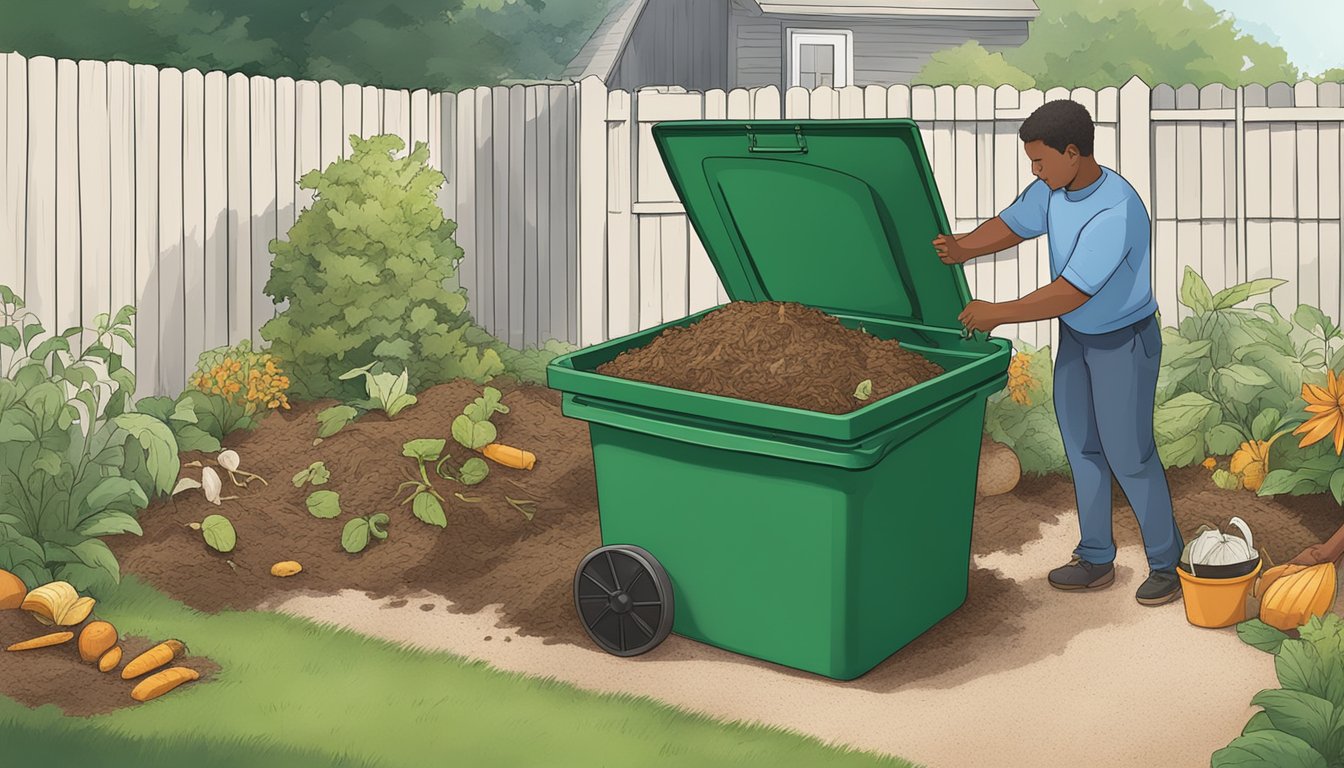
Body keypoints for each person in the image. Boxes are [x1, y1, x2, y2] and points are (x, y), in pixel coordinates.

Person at [932, 99, 1184, 606]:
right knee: (1082, 449)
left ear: (1074, 153)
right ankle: (1095, 557)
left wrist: (998, 311)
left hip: (1123, 342)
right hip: (1078, 340)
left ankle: (1167, 563)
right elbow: (1011, 223)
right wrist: (962, 247)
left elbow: (1071, 291)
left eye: (1041, 161)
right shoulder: (1054, 188)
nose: (1035, 171)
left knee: (1129, 455)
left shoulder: (1117, 208)